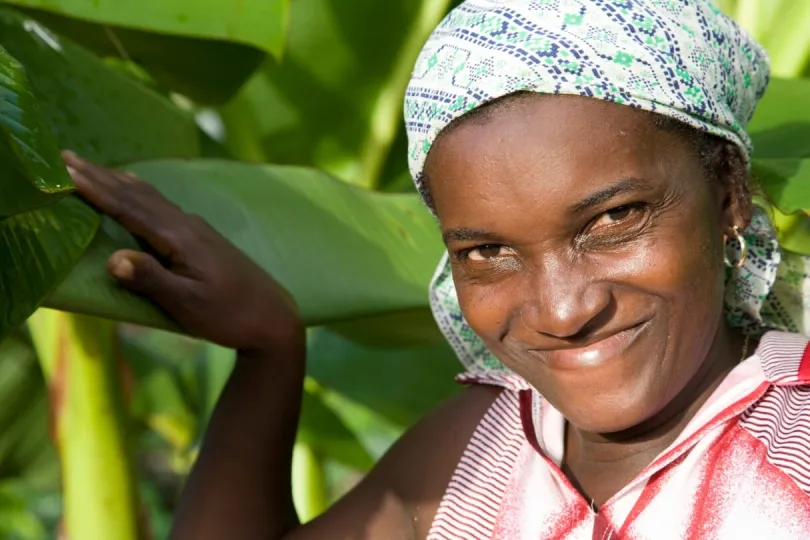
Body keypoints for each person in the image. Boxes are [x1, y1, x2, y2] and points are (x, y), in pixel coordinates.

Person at [62, 0, 810, 538]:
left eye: (613, 220)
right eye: (488, 252)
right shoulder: (479, 449)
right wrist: (268, 350)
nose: (561, 310)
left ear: (728, 196)